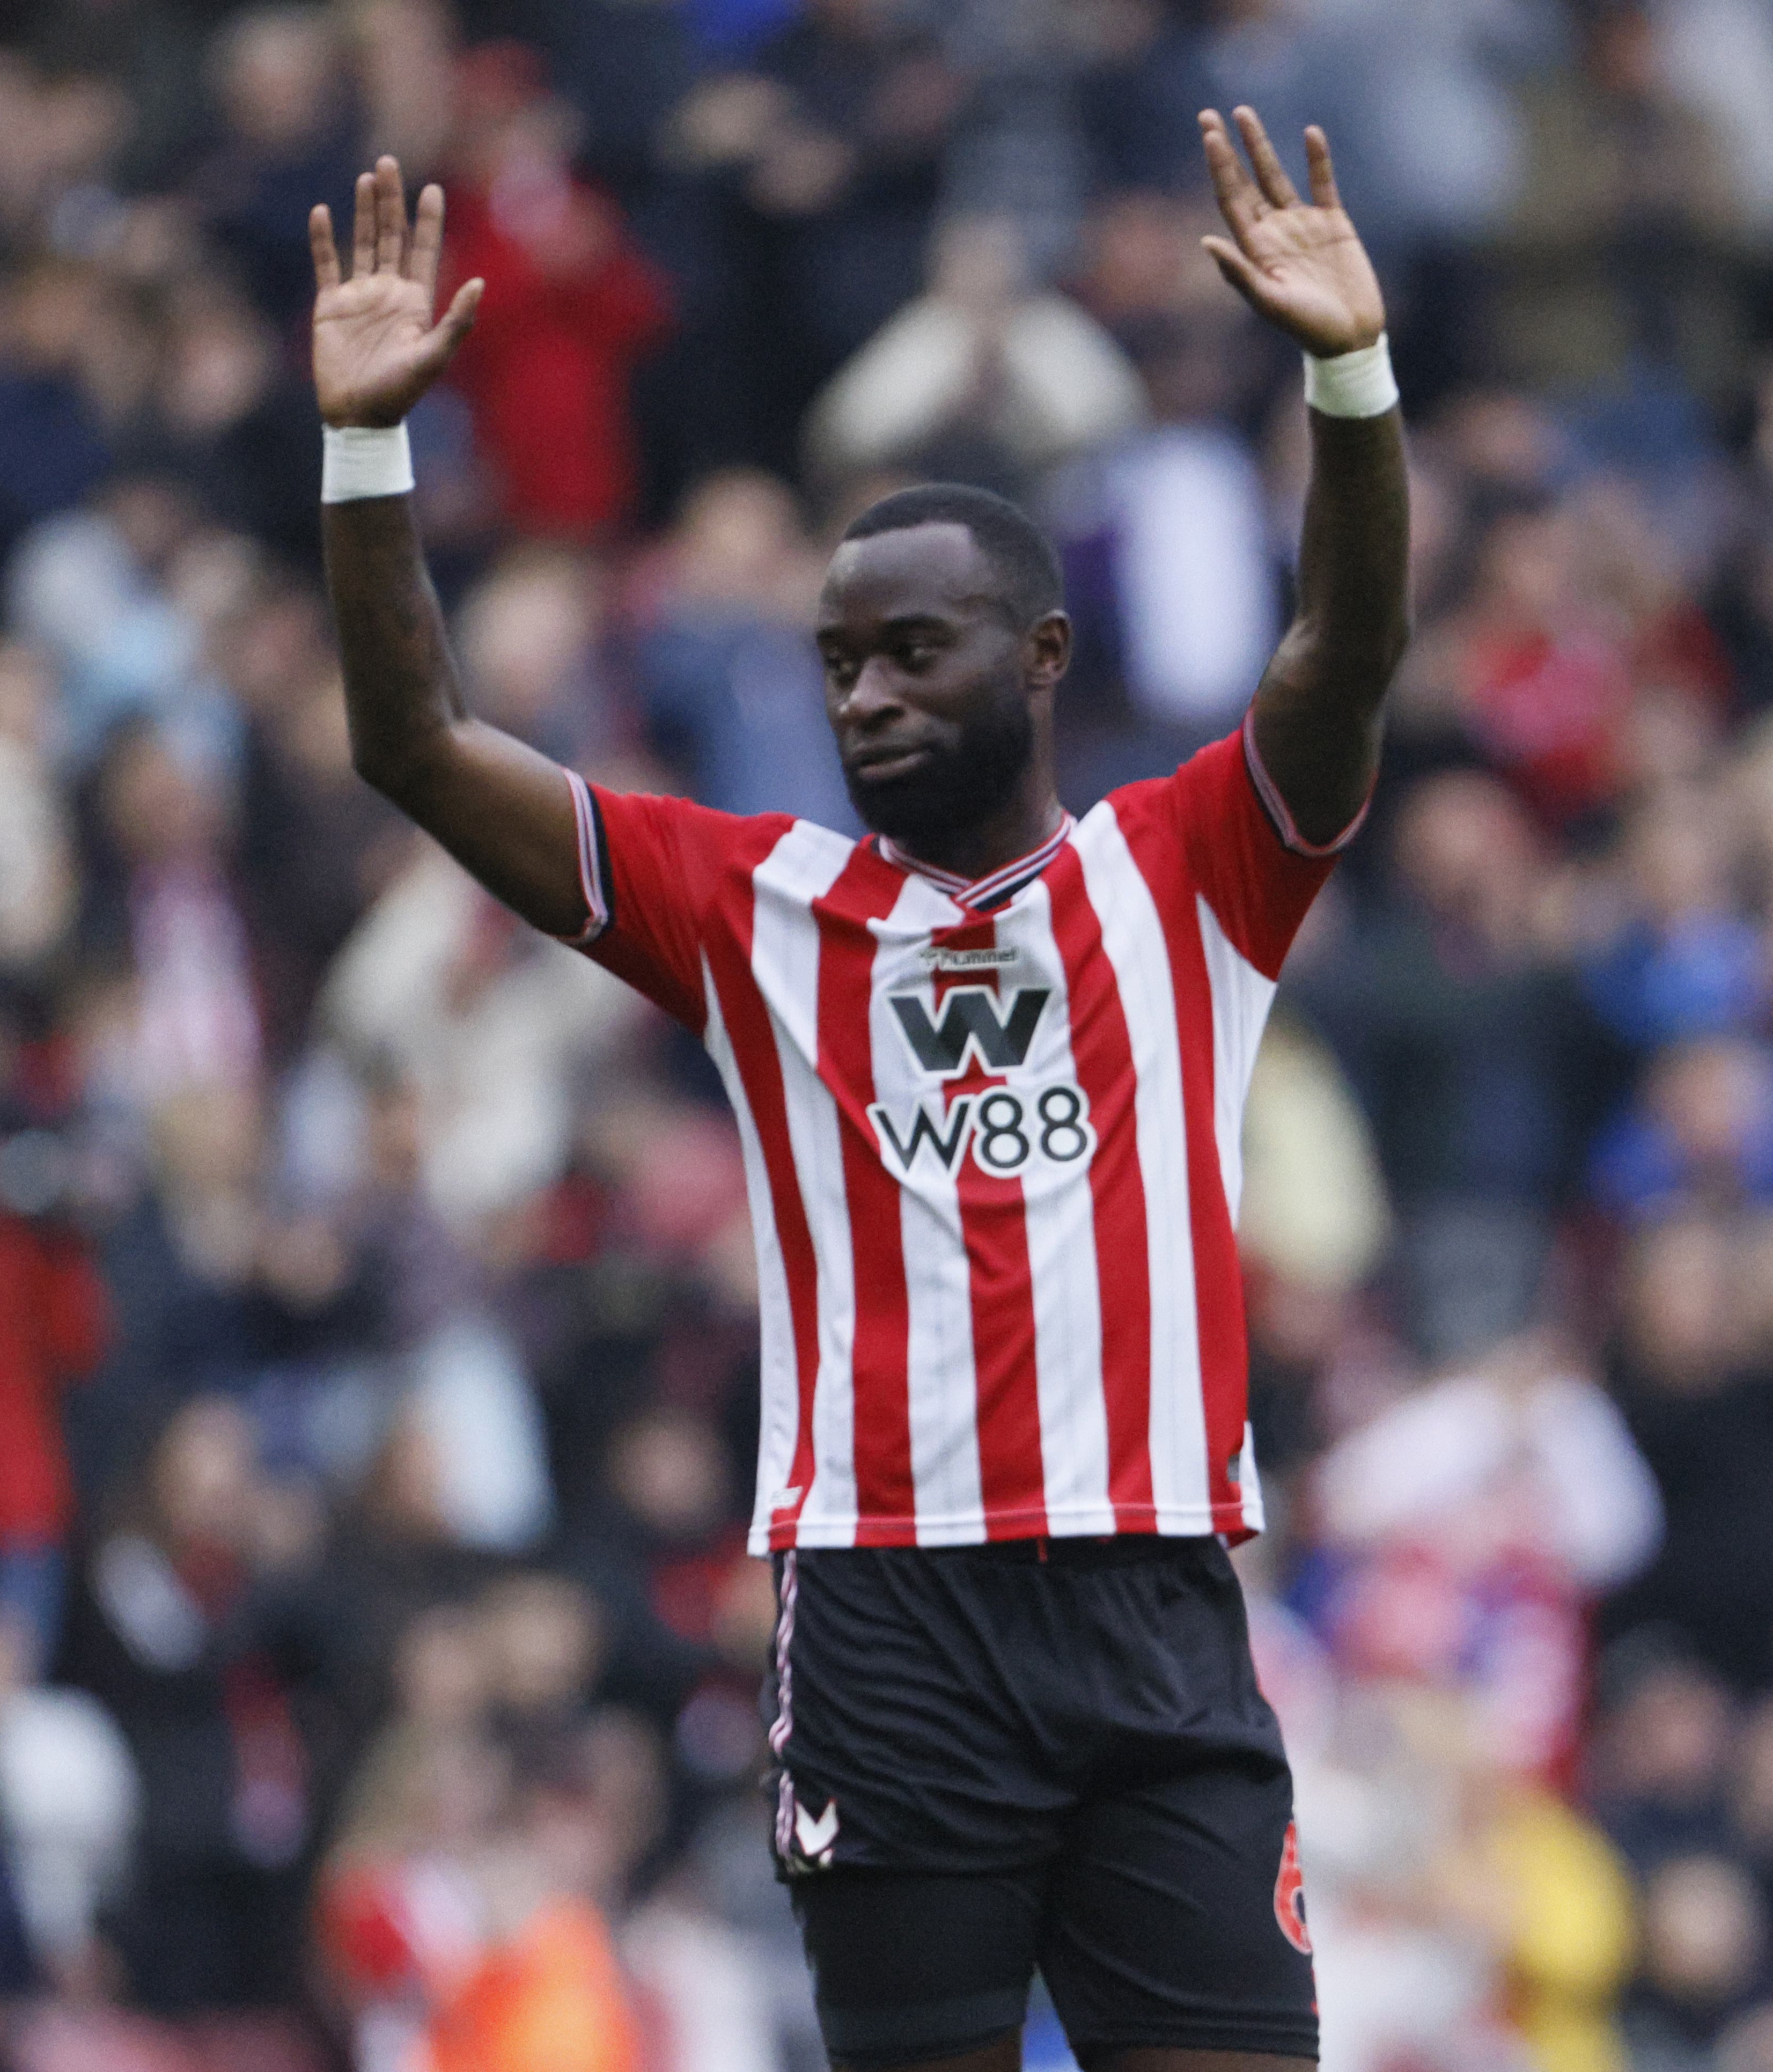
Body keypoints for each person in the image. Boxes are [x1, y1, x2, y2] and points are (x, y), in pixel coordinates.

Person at [307, 107, 1409, 2072]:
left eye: (912, 650)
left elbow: (1342, 649)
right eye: (835, 664)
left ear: (1045, 654)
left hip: (1154, 1601)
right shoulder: (752, 908)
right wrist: (369, 452)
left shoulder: (1189, 873)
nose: (865, 697)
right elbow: (417, 744)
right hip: (890, 1620)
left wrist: (1349, 380)